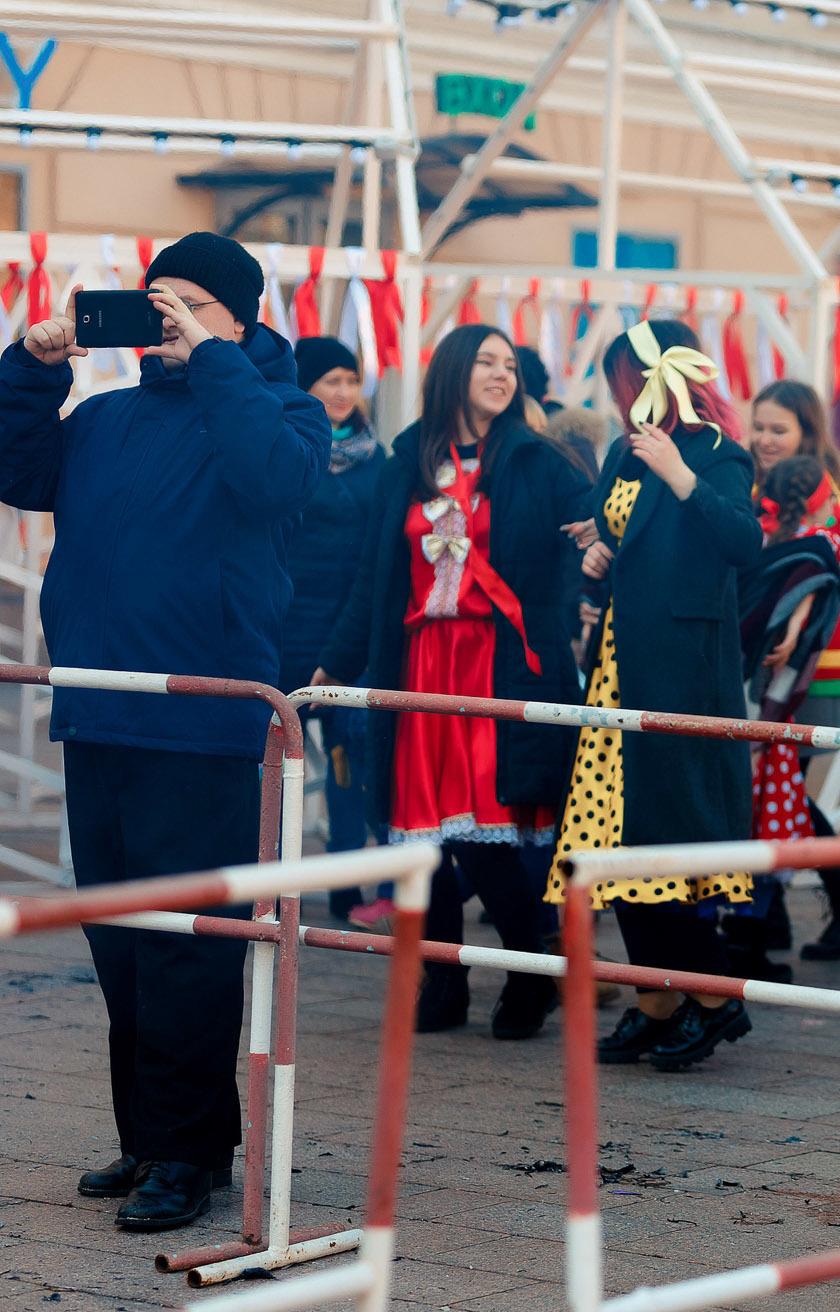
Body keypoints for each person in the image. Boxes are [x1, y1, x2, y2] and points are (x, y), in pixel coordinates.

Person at [0, 232, 329, 1229]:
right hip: (100, 712)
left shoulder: (284, 411)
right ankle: (157, 1136)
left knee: (190, 950)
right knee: (121, 944)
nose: (167, 321)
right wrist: (31, 364)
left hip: (207, 722)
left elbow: (275, 482)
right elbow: (18, 469)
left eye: (189, 304)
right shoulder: (104, 416)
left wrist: (215, 361)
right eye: (155, 304)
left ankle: (186, 1155)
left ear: (239, 319)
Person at [315, 323, 589, 1040]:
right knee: (418, 838)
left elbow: (593, 538)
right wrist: (335, 665)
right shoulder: (405, 460)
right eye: (487, 362)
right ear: (453, 372)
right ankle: (444, 982)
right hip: (419, 667)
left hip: (495, 667)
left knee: (482, 837)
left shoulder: (540, 461)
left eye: (509, 364)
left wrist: (572, 599)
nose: (503, 373)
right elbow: (375, 578)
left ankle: (531, 971)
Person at [544, 319, 765, 1073]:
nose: (620, 397)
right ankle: (658, 1000)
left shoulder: (715, 453)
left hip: (681, 676)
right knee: (610, 846)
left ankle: (711, 998)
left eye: (624, 380)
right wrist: (596, 552)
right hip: (617, 666)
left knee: (660, 843)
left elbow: (743, 540)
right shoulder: (620, 451)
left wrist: (681, 475)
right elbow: (616, 544)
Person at [746, 379, 840, 963]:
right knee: (777, 783)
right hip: (791, 654)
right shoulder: (766, 483)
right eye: (759, 426)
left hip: (812, 659)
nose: (764, 438)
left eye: (779, 429)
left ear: (807, 432)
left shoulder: (813, 486)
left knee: (781, 782)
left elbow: (815, 562)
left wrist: (793, 626)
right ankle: (773, 911)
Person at [285, 336, 392, 926]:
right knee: (280, 761)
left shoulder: (381, 459)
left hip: (355, 629)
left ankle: (352, 882)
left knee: (353, 762)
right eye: (332, 381)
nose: (345, 392)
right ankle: (273, 879)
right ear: (305, 387)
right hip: (291, 627)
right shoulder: (287, 450)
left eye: (352, 380)